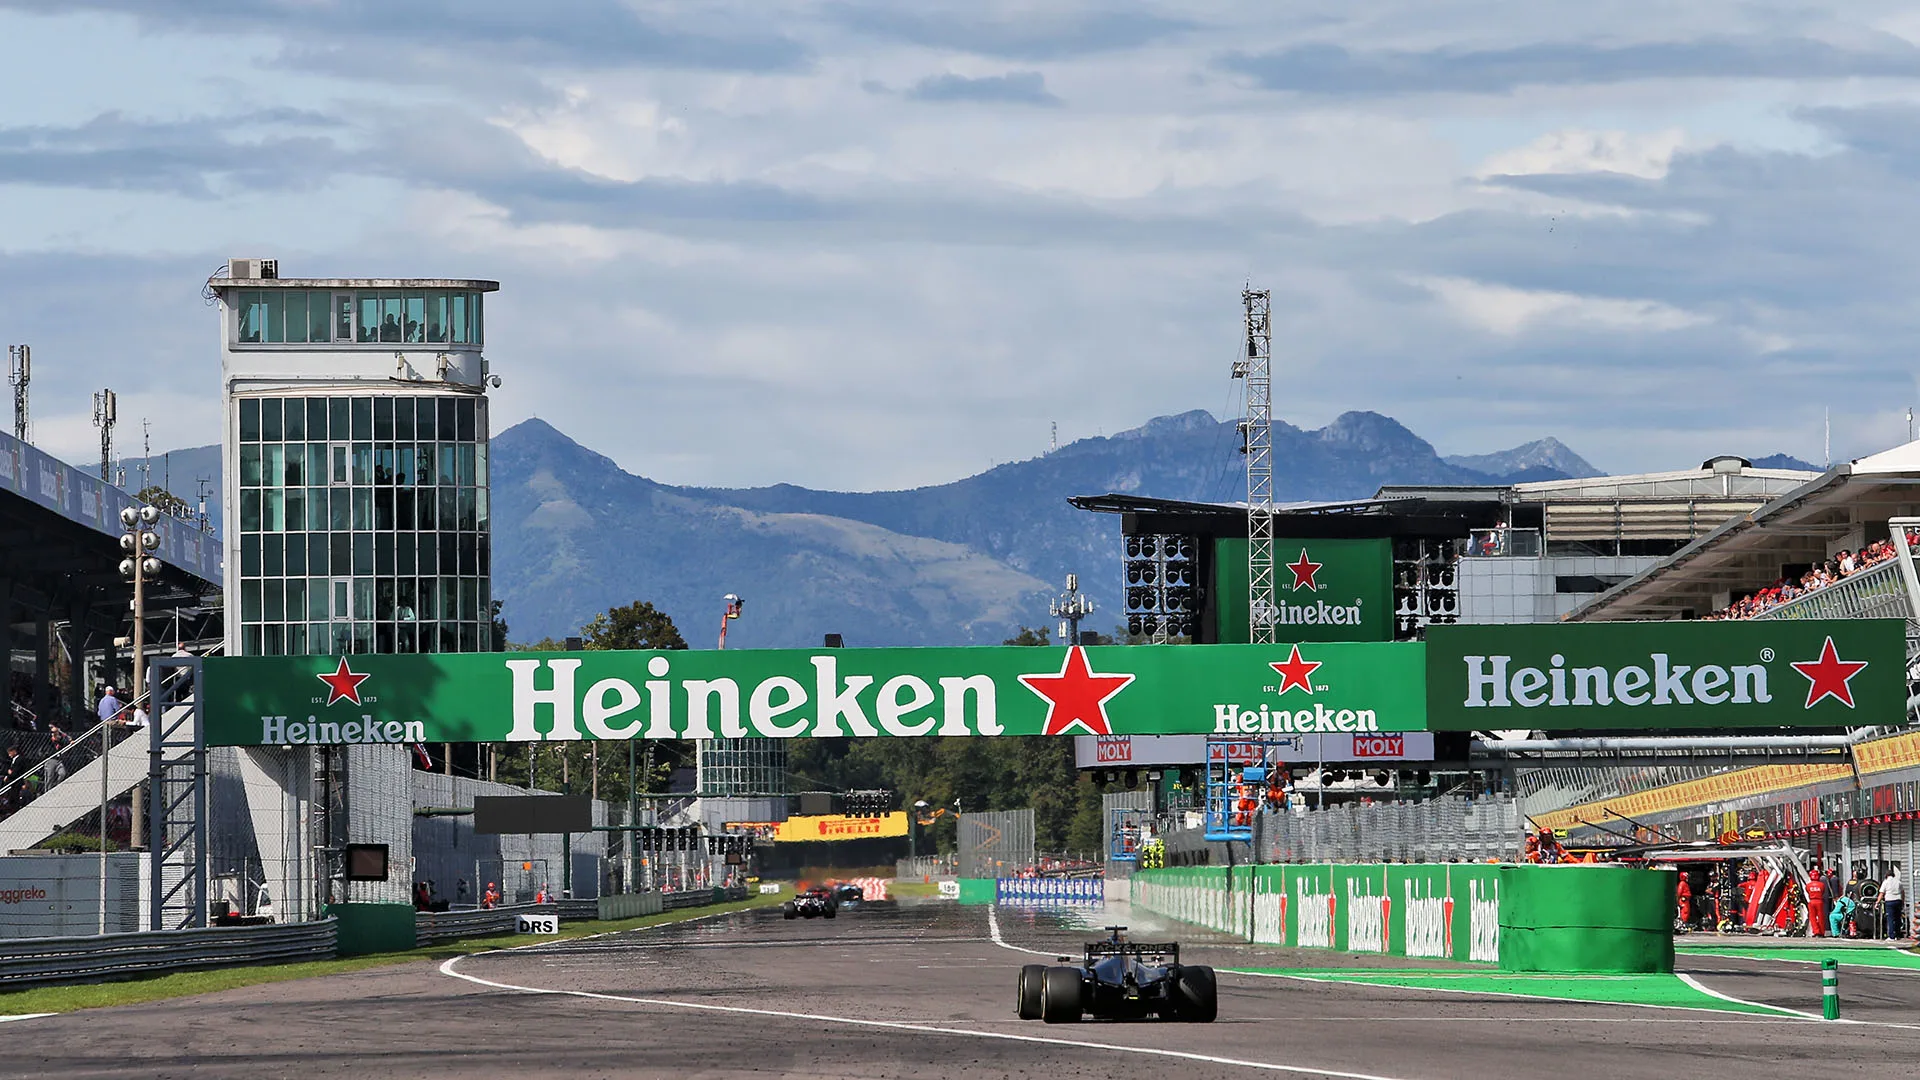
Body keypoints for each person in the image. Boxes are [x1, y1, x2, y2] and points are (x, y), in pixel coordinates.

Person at [1883, 864, 1906, 940]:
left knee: (1890, 918)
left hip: (1889, 901)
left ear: (1886, 875)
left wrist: (1877, 902)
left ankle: (1891, 936)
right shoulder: (1898, 882)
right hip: (1898, 900)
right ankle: (1898, 934)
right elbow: (1902, 892)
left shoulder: (1886, 882)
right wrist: (1902, 901)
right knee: (1897, 918)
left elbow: (1881, 892)